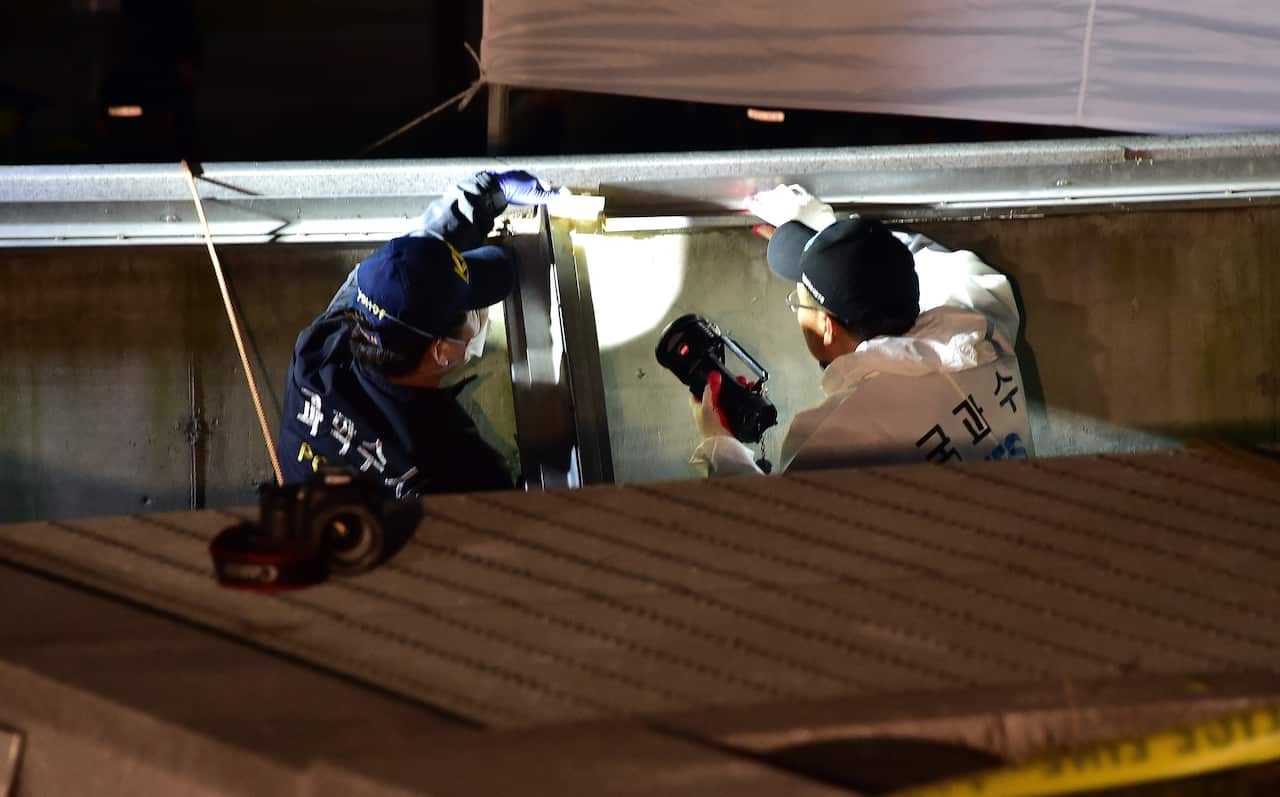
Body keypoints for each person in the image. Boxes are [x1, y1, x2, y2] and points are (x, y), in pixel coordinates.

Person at [689, 184, 1033, 476]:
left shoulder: (832, 440)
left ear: (826, 328)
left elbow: (776, 531)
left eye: (799, 303)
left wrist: (719, 444)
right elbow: (944, 268)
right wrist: (836, 236)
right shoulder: (982, 333)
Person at [279, 169, 556, 497]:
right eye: (470, 313)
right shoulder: (452, 463)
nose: (478, 319)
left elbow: (401, 267)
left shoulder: (317, 352)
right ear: (442, 351)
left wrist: (487, 191)